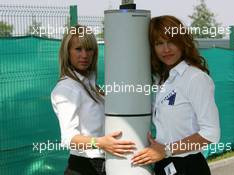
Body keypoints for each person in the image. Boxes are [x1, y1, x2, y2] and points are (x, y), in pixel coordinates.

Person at [131, 15, 220, 175]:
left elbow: (210, 132)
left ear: (182, 42)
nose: (166, 49)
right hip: (164, 164)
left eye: (171, 41)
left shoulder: (195, 78)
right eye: (159, 43)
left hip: (188, 166)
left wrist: (166, 150)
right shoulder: (162, 80)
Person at [51, 25, 135, 175]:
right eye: (78, 49)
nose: (84, 55)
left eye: (89, 49)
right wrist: (101, 143)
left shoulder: (90, 85)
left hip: (104, 165)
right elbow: (68, 138)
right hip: (83, 167)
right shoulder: (66, 88)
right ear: (67, 52)